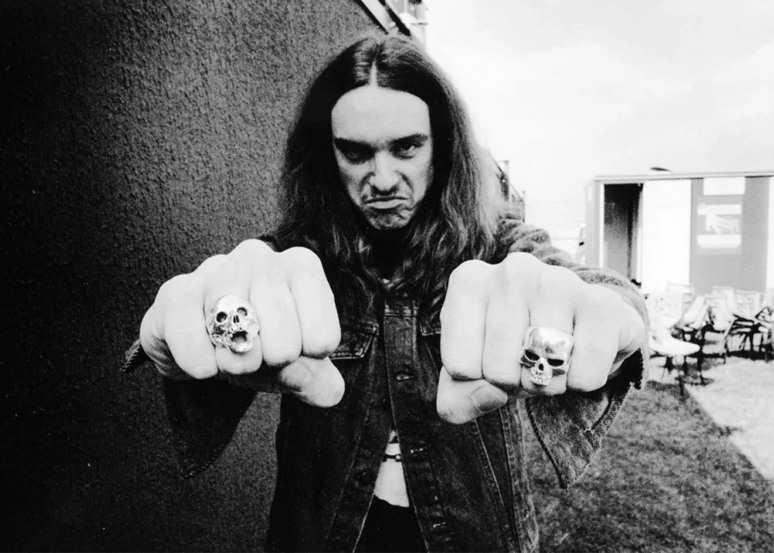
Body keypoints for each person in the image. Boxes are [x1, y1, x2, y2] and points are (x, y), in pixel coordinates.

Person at [124, 34, 647, 552]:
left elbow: (587, 287)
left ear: (443, 146)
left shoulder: (498, 246)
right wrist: (189, 325)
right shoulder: (295, 259)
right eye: (355, 152)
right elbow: (238, 283)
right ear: (327, 156)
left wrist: (606, 316)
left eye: (406, 147)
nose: (382, 179)